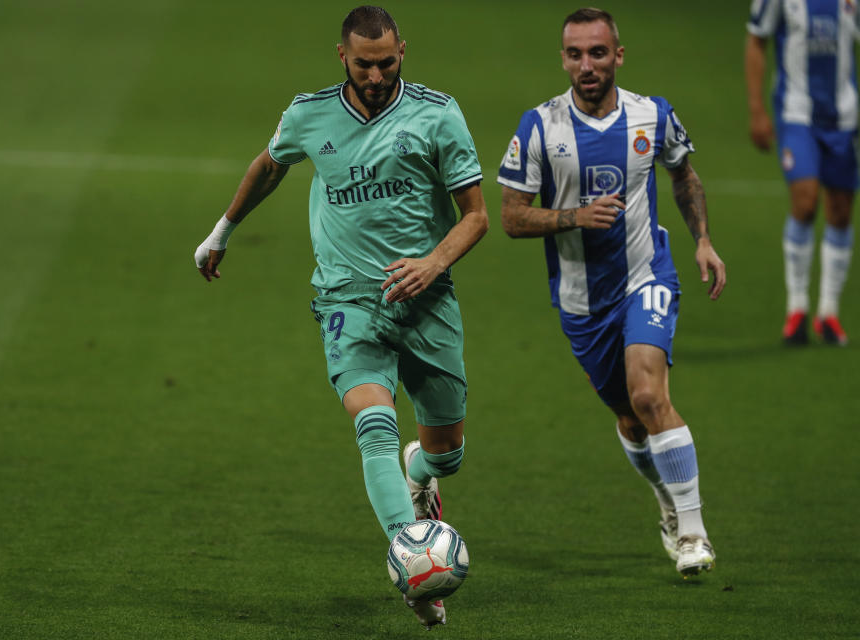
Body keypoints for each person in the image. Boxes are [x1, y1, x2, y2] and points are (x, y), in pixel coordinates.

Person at [194, 5, 488, 628]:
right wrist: (223, 230)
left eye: (386, 62)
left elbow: (476, 216)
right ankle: (414, 564)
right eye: (364, 64)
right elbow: (270, 165)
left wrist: (432, 264)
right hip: (347, 299)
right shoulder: (310, 113)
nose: (376, 75)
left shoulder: (438, 114)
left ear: (402, 51)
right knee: (372, 421)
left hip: (428, 300)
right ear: (342, 57)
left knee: (448, 451)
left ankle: (420, 474)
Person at [497, 8, 726, 577]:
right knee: (629, 418)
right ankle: (667, 503)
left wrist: (702, 240)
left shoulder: (654, 115)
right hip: (581, 300)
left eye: (598, 53)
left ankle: (695, 534)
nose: (587, 65)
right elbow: (511, 218)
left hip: (648, 275)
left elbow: (684, 174)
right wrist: (575, 216)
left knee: (650, 396)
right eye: (575, 54)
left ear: (618, 56)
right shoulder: (539, 127)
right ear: (563, 59)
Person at [745, 0, 856, 346]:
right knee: (806, 202)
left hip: (846, 118)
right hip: (797, 115)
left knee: (840, 211)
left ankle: (829, 313)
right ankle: (796, 309)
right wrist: (757, 109)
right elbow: (756, 40)